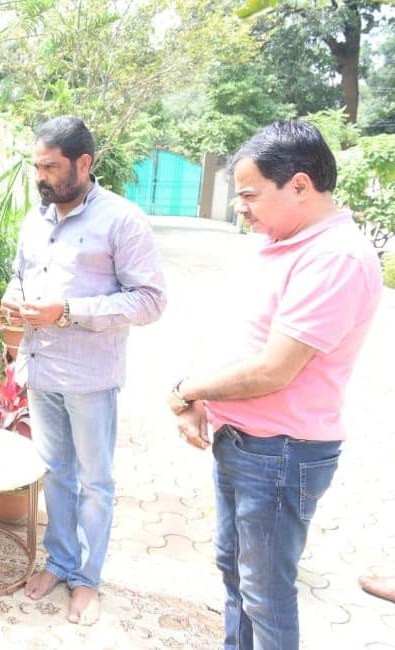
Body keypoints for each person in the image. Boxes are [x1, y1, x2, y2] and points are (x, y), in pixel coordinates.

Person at [168, 121, 382, 649]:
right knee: (237, 575)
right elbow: (233, 330)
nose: (241, 208)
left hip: (281, 454)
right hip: (245, 443)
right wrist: (195, 393)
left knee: (265, 593)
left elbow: (273, 369)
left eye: (249, 195)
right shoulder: (286, 244)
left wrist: (189, 391)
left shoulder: (335, 258)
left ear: (300, 186)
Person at [0, 116, 167, 624]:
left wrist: (68, 311)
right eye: (35, 166)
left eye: (50, 166)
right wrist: (13, 304)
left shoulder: (123, 220)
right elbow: (21, 277)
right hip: (43, 369)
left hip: (91, 378)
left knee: (95, 481)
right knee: (57, 474)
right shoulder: (36, 219)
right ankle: (61, 561)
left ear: (84, 163)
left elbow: (151, 301)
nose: (40, 176)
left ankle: (88, 580)